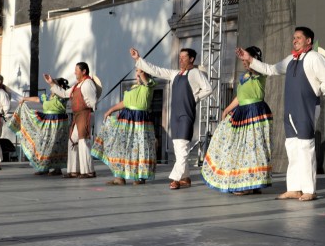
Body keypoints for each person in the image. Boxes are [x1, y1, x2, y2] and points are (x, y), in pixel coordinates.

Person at [236, 26, 325, 202]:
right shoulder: (291, 59)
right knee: (292, 147)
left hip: (306, 107)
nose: (294, 40)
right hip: (290, 109)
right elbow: (270, 69)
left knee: (305, 147)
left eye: (298, 38)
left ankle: (309, 190)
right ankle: (294, 189)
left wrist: (314, 93)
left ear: (308, 40)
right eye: (294, 38)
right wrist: (250, 59)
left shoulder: (315, 58)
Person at [130, 47, 212, 189]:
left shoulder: (195, 73)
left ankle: (175, 178)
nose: (180, 60)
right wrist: (138, 59)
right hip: (174, 115)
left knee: (183, 146)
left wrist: (195, 98)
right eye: (179, 57)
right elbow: (156, 70)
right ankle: (186, 178)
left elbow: (208, 88)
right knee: (178, 147)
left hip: (186, 114)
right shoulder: (175, 74)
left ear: (191, 59)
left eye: (184, 57)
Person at [201, 46, 273, 196]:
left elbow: (256, 70)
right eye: (243, 60)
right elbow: (240, 97)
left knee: (254, 147)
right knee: (239, 146)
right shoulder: (244, 77)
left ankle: (251, 184)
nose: (244, 62)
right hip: (242, 112)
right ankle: (248, 182)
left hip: (255, 112)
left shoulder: (260, 73)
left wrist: (250, 60)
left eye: (246, 59)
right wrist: (227, 109)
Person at [92, 67, 157, 186]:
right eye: (137, 71)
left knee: (139, 147)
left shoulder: (149, 85)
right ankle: (119, 177)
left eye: (141, 71)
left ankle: (139, 177)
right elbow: (125, 102)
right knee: (121, 146)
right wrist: (110, 110)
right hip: (126, 118)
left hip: (139, 119)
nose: (138, 73)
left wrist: (142, 71)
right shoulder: (133, 87)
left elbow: (146, 81)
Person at [44, 62, 100, 179]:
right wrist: (51, 83)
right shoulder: (77, 85)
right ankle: (74, 170)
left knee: (83, 142)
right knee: (72, 141)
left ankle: (88, 171)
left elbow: (93, 101)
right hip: (77, 116)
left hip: (85, 114)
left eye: (76, 70)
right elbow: (64, 93)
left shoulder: (88, 83)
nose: (75, 73)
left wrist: (89, 110)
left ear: (84, 71)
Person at [8, 78, 71, 176]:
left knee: (55, 144)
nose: (51, 86)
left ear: (60, 87)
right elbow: (37, 99)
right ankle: (44, 167)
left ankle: (57, 168)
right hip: (47, 123)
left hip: (58, 123)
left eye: (54, 84)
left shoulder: (62, 96)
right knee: (44, 144)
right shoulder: (48, 96)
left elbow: (62, 94)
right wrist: (25, 99)